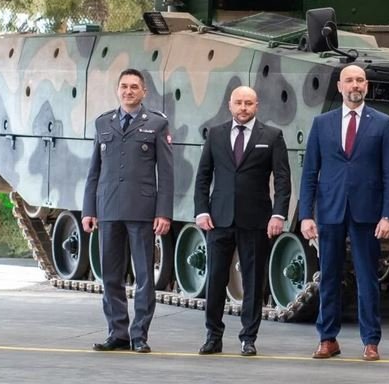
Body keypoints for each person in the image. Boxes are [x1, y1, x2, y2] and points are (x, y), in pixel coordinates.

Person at [299, 64, 389, 362]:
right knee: (329, 277)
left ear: (366, 86)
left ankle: (370, 341)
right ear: (340, 86)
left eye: (360, 80)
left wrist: (388, 215)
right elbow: (310, 172)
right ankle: (327, 339)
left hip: (367, 213)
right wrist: (306, 215)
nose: (355, 85)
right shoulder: (323, 123)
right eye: (349, 80)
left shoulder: (382, 123)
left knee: (367, 278)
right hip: (330, 212)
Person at [82, 68, 173, 354]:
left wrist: (163, 212)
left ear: (144, 91)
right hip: (108, 208)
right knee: (110, 276)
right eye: (124, 86)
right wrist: (88, 209)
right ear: (117, 90)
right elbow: (94, 171)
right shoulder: (103, 123)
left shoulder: (156, 124)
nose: (128, 91)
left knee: (144, 277)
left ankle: (139, 335)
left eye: (134, 87)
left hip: (142, 210)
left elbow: (166, 173)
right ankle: (117, 332)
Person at [194, 86, 291, 357]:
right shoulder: (215, 134)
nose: (243, 107)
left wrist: (278, 214)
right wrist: (201, 210)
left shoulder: (271, 136)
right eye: (239, 102)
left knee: (253, 281)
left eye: (248, 103)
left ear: (257, 105)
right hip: (219, 219)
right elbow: (203, 176)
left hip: (256, 219)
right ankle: (213, 336)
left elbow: (282, 179)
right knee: (215, 280)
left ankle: (248, 338)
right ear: (230, 105)